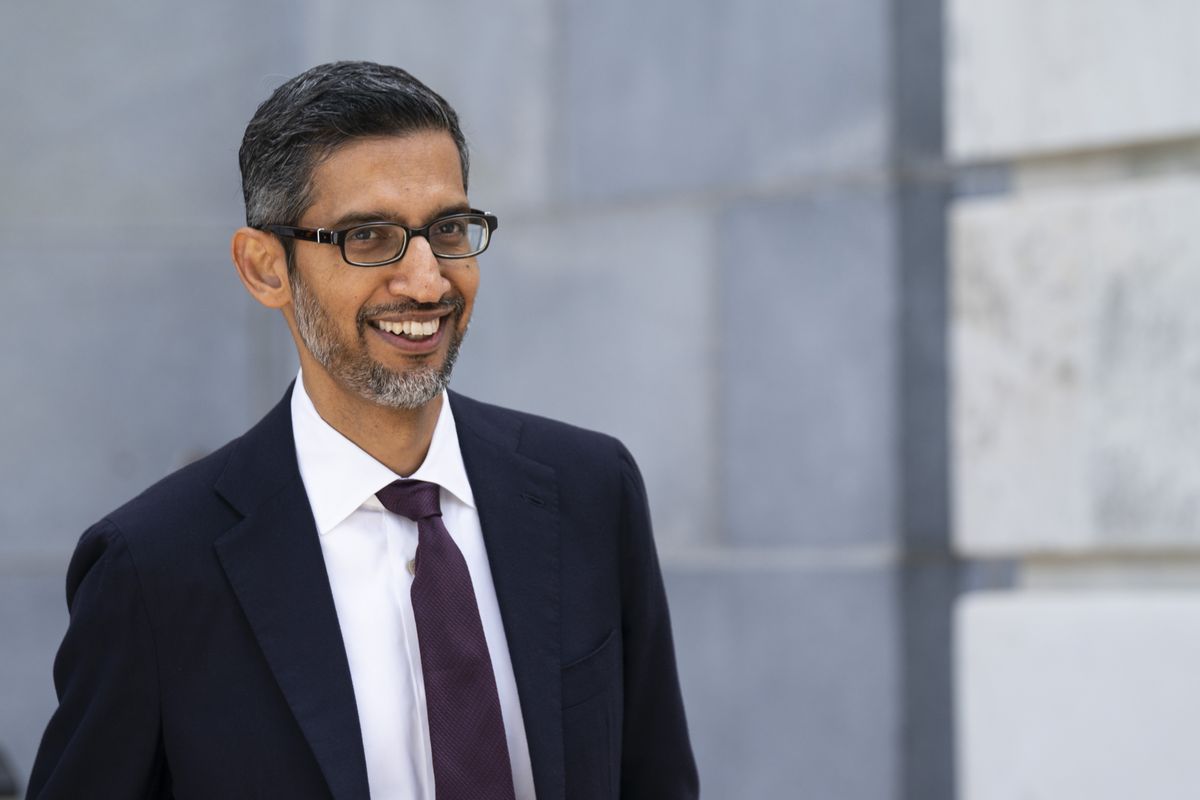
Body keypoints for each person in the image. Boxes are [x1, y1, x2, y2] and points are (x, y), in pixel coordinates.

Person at [27, 61, 698, 799]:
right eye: (369, 237)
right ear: (265, 269)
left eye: (448, 229)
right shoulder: (151, 569)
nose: (428, 281)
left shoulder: (591, 490)